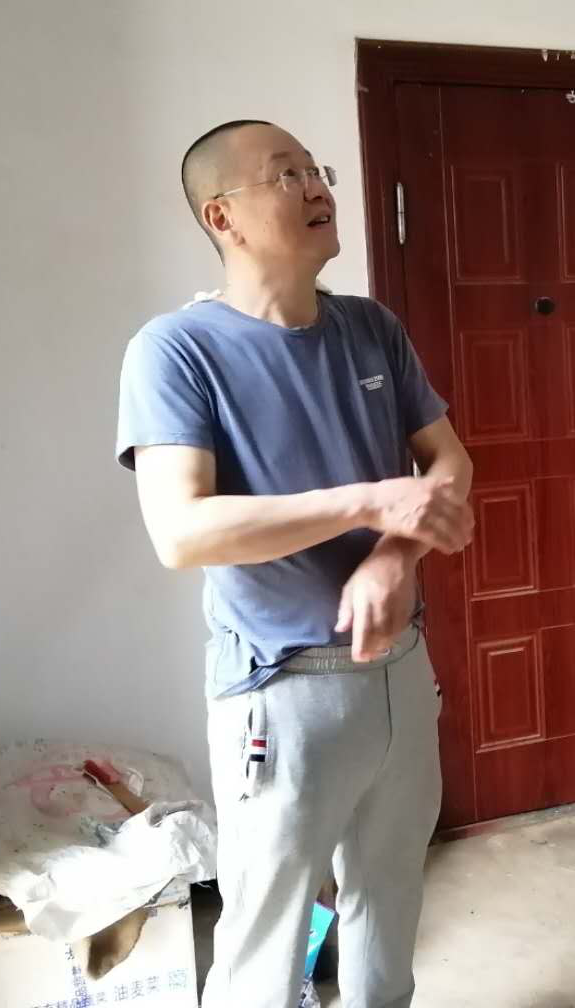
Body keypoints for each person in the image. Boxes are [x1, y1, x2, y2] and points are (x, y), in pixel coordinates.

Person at [115, 119, 474, 1008]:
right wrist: (368, 503)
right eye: (286, 175)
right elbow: (182, 532)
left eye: (317, 170)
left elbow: (450, 462)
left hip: (400, 668)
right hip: (281, 691)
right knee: (264, 941)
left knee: (389, 902)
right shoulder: (176, 350)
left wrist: (394, 555)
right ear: (223, 216)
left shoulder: (370, 328)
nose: (317, 187)